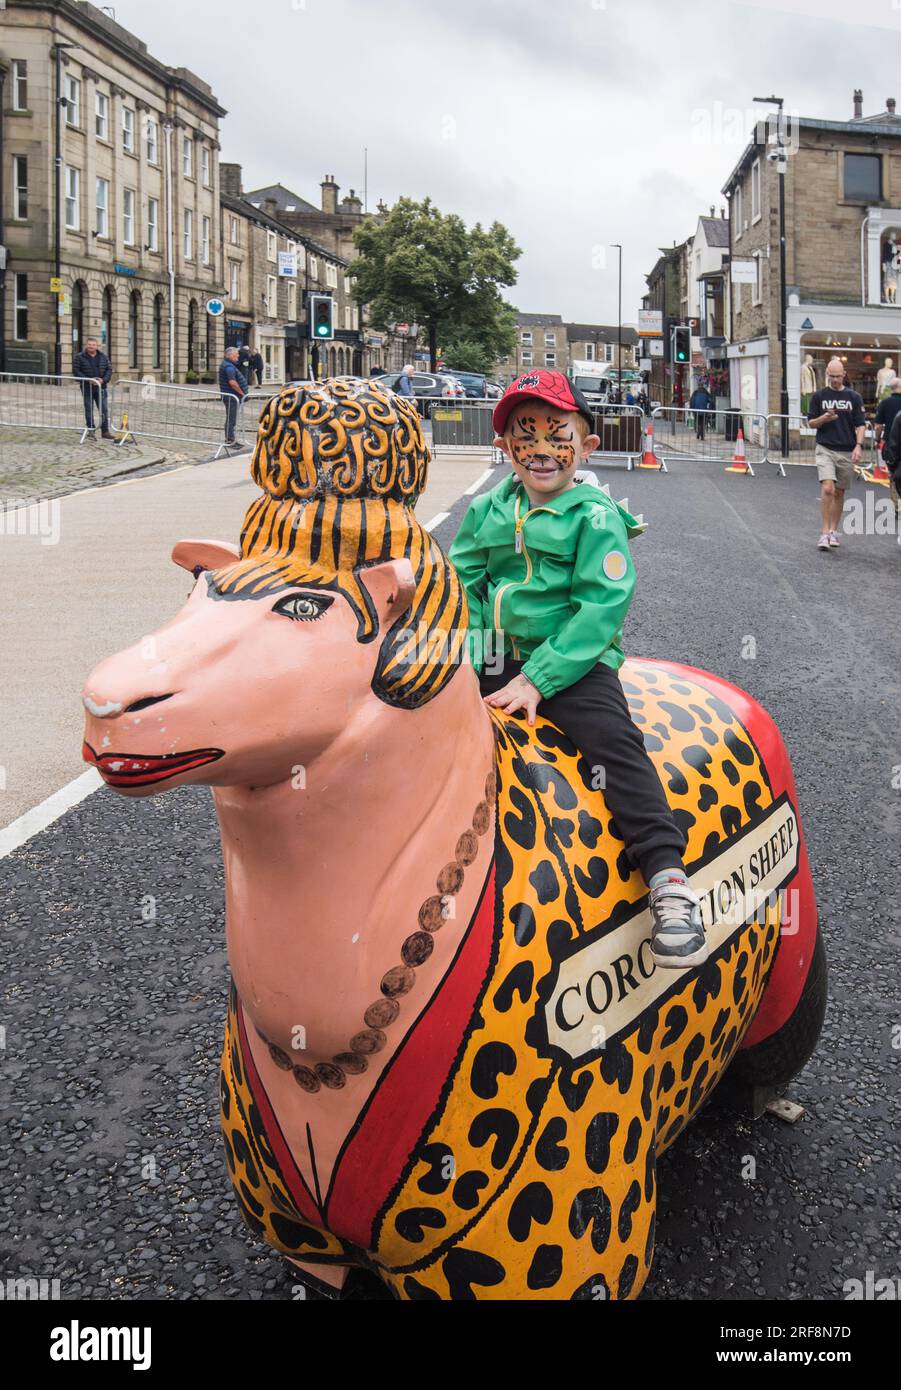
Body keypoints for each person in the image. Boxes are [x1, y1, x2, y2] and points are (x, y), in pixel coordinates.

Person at [449, 369, 707, 969]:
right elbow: (463, 578)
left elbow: (600, 607)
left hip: (571, 657)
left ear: (586, 447)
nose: (541, 449)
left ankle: (668, 879)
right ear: (506, 446)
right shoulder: (490, 507)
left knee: (612, 742)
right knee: (411, 697)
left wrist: (537, 678)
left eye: (556, 434)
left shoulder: (595, 517)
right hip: (493, 647)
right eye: (525, 435)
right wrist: (469, 649)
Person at [807, 358, 865, 551]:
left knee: (839, 492)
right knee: (828, 488)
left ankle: (833, 531)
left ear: (844, 374)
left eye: (838, 376)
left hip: (847, 450)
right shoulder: (819, 396)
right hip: (825, 448)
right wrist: (824, 417)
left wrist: (859, 446)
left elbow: (861, 424)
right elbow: (811, 423)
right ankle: (823, 533)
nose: (834, 380)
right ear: (827, 375)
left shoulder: (854, 397)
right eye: (831, 376)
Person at [73, 337, 114, 439]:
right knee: (89, 409)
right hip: (87, 387)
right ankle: (91, 430)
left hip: (101, 387)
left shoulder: (103, 356)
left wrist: (103, 380)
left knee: (103, 410)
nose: (91, 346)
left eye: (93, 345)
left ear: (97, 346)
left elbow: (109, 369)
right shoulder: (79, 357)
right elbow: (76, 371)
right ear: (86, 345)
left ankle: (105, 431)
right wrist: (87, 379)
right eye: (89, 344)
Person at [219, 347, 247, 445]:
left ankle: (230, 438)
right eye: (236, 354)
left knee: (231, 418)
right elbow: (232, 382)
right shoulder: (229, 367)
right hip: (231, 397)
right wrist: (242, 393)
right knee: (231, 418)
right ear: (230, 355)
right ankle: (230, 440)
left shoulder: (228, 365)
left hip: (231, 396)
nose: (238, 356)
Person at [875, 377, 901, 471]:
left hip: (890, 443)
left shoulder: (885, 403)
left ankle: (893, 483)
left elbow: (878, 426)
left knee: (892, 472)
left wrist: (877, 439)